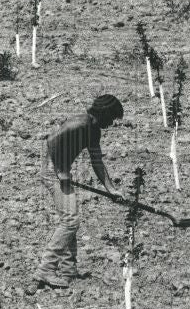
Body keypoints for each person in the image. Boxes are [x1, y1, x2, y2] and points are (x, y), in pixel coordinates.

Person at [29, 94, 124, 292]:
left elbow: (97, 162)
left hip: (58, 171)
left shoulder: (93, 131)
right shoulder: (80, 123)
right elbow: (52, 140)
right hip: (52, 172)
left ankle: (68, 270)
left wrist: (111, 189)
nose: (113, 123)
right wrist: (61, 170)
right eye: (113, 118)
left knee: (70, 217)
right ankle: (45, 269)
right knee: (70, 221)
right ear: (105, 113)